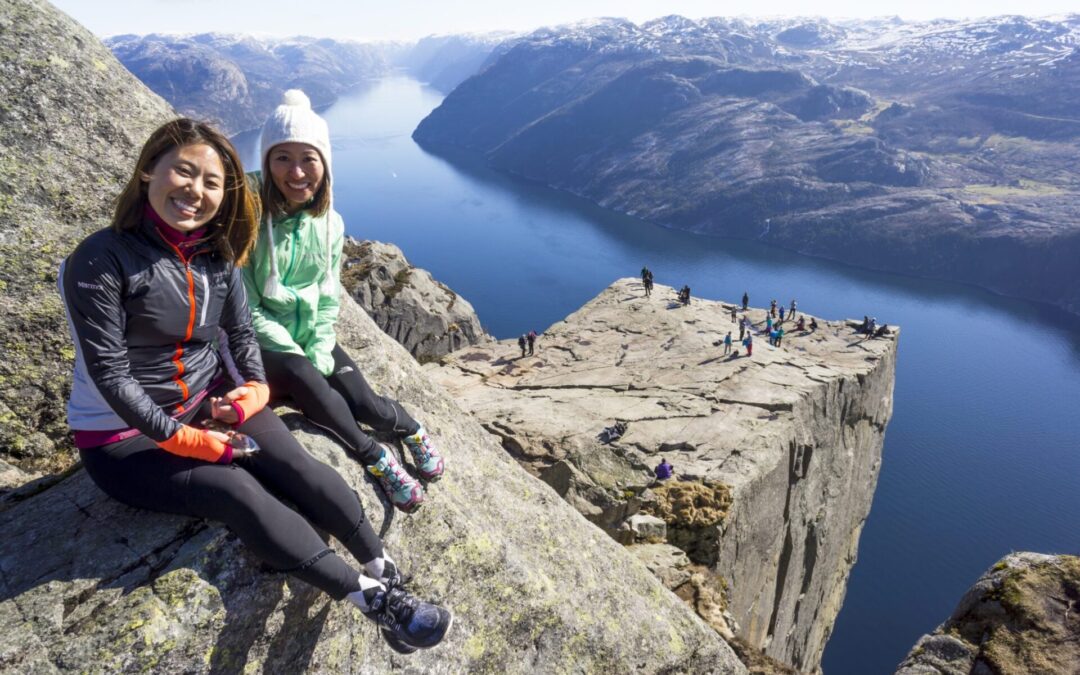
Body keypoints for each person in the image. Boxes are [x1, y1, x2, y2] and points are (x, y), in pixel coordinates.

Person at [59, 118, 451, 652]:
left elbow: (240, 335)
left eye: (212, 182)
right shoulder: (101, 259)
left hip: (208, 403)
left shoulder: (217, 256)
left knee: (297, 466)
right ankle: (374, 601)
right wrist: (187, 440)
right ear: (150, 169)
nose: (196, 191)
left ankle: (382, 564)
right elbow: (111, 375)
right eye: (184, 172)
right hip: (122, 439)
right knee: (237, 492)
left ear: (226, 194)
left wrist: (253, 392)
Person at [243, 91, 443, 514]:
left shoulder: (330, 224)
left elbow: (328, 292)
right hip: (266, 342)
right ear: (266, 161)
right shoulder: (249, 217)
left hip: (310, 335)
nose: (296, 172)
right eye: (282, 158)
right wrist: (300, 355)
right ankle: (375, 457)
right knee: (316, 390)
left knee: (363, 399)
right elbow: (245, 305)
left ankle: (410, 428)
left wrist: (319, 343)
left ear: (324, 164)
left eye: (308, 158)